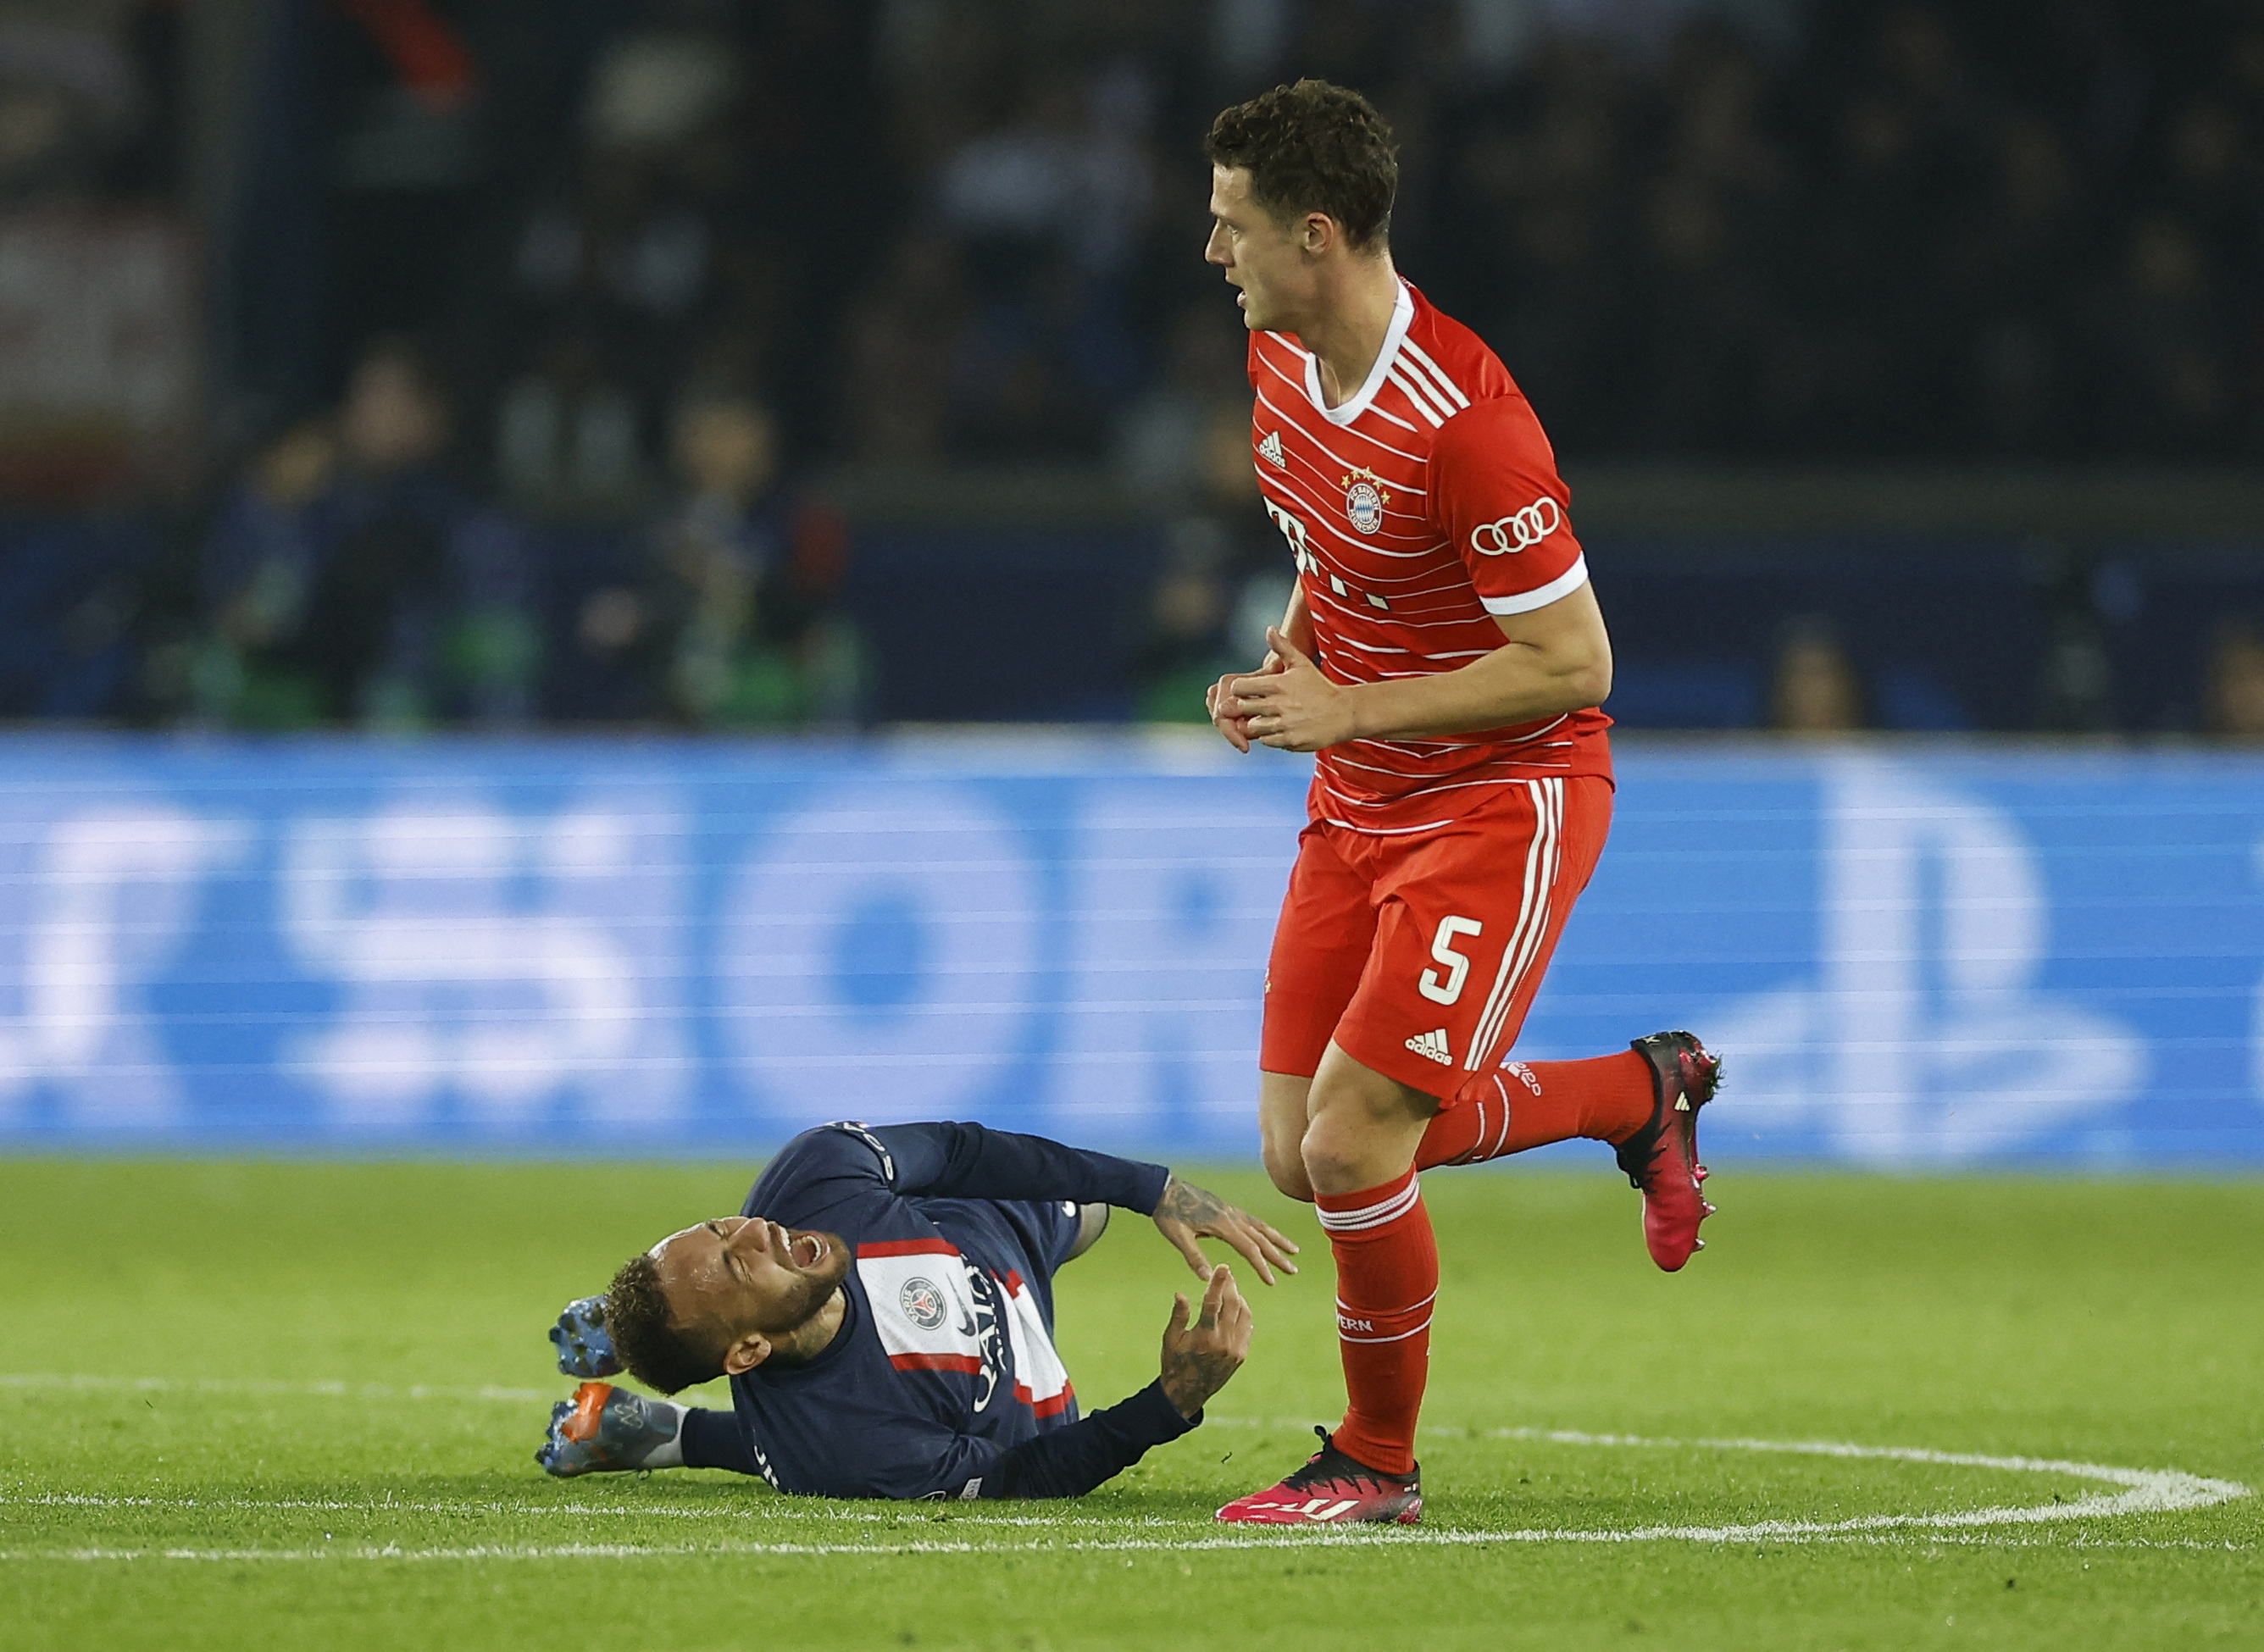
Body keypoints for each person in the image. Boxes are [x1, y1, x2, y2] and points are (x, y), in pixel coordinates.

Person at [1199, 81, 1722, 1527]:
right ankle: (1638, 1092)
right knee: (1299, 1152)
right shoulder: (1280, 358)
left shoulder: (1467, 424)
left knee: (1354, 1143)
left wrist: (1351, 709)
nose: (1212, 250)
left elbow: (1574, 662)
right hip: (1359, 796)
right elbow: (1333, 543)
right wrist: (1295, 658)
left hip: (1502, 796)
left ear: (1316, 234)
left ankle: (1377, 1461)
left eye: (1232, 223)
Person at [533, 1118, 1292, 1500]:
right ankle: (671, 1420)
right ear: (750, 1352)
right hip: (1030, 1396)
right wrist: (1170, 1401)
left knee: (1088, 1199)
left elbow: (962, 1152)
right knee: (812, 1458)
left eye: (722, 1226)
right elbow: (1021, 1477)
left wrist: (1150, 1189)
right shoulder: (845, 1450)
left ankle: (644, 1336)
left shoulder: (813, 1179)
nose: (759, 1228)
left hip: (991, 1226)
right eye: (737, 1261)